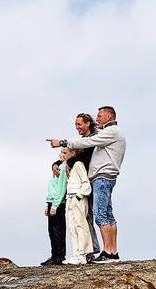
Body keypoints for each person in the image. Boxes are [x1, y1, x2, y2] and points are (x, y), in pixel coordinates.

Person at [47, 105, 126, 263]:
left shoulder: (109, 132)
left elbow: (89, 142)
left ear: (109, 117)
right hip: (104, 176)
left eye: (100, 116)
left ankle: (108, 252)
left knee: (100, 215)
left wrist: (62, 142)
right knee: (107, 215)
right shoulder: (108, 132)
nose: (97, 118)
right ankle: (112, 251)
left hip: (102, 177)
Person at [70, 113, 103, 259]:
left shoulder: (94, 138)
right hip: (86, 178)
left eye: (79, 124)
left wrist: (71, 161)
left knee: (96, 215)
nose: (77, 127)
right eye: (76, 125)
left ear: (87, 123)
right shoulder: (84, 140)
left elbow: (82, 158)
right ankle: (89, 250)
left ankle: (92, 250)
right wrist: (57, 164)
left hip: (92, 179)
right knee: (86, 216)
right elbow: (71, 157)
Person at [61, 146, 92, 264]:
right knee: (72, 227)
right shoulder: (69, 166)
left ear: (73, 153)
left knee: (80, 225)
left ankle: (82, 254)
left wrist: (80, 195)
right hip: (70, 198)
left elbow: (85, 181)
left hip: (77, 197)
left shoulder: (78, 164)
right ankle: (76, 253)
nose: (63, 155)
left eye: (65, 152)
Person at [41, 157, 66, 266]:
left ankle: (60, 256)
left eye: (64, 153)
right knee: (51, 230)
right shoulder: (57, 166)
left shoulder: (63, 168)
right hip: (52, 201)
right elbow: (52, 187)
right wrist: (48, 203)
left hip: (58, 202)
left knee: (58, 230)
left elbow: (61, 188)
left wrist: (55, 205)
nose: (61, 155)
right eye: (61, 152)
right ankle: (54, 255)